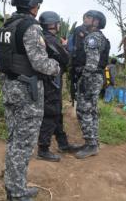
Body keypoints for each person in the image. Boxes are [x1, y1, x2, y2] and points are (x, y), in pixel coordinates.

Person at [0, 0, 60, 201]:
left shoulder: (6, 26)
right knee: (22, 145)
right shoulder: (31, 27)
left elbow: (5, 61)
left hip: (10, 88)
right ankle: (17, 193)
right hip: (27, 92)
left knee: (14, 140)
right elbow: (40, 63)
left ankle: (15, 186)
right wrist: (56, 66)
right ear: (34, 6)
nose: (38, 7)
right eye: (37, 4)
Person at [37, 11, 82, 162]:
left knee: (56, 111)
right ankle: (43, 148)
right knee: (51, 112)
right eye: (57, 23)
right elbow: (66, 58)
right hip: (51, 81)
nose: (58, 25)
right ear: (52, 24)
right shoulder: (50, 39)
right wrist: (66, 47)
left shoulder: (41, 37)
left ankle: (63, 143)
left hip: (47, 80)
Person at [73, 10, 110, 159]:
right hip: (97, 77)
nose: (85, 19)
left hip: (91, 77)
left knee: (84, 110)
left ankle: (91, 144)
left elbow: (92, 63)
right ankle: (93, 141)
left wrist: (85, 79)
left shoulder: (92, 38)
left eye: (88, 17)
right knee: (92, 110)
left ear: (96, 22)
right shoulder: (100, 37)